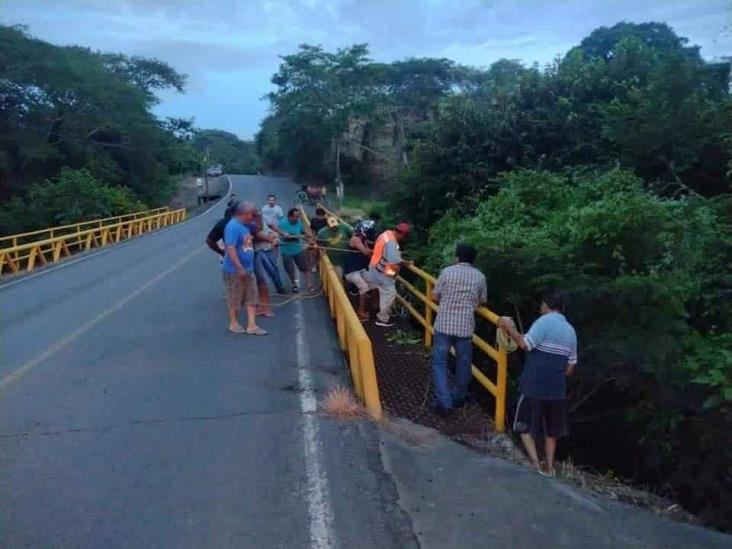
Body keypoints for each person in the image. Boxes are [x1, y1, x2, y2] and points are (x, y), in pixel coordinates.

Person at [498, 292, 578, 477]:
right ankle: (549, 468)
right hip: (557, 388)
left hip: (534, 384)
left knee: (524, 425)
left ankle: (535, 464)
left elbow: (524, 344)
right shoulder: (570, 330)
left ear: (546, 305)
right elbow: (570, 367)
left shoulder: (543, 322)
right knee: (552, 431)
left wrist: (510, 328)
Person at [430, 243, 487, 417]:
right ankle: (458, 397)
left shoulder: (447, 272)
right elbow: (482, 300)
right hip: (465, 327)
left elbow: (434, 295)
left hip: (444, 325)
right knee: (464, 365)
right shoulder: (480, 277)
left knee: (439, 363)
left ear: (457, 257)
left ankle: (444, 402)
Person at [222, 202, 267, 335]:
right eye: (252, 215)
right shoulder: (233, 227)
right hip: (235, 270)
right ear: (245, 214)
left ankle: (252, 325)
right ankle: (233, 323)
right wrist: (239, 268)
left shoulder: (245, 226)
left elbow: (257, 229)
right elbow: (230, 248)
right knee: (235, 296)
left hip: (248, 268)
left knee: (251, 296)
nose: (253, 217)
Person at [367, 222, 411, 327]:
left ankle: (385, 312)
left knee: (384, 293)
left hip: (375, 267)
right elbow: (393, 260)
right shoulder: (391, 242)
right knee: (389, 293)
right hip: (382, 270)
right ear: (403, 234)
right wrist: (406, 262)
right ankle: (382, 318)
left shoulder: (386, 234)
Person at [252, 209, 285, 317]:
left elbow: (270, 228)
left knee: (273, 269)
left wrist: (278, 235)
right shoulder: (251, 225)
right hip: (257, 250)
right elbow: (256, 237)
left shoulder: (263, 219)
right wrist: (271, 240)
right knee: (261, 278)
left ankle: (280, 287)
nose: (259, 216)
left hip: (268, 249)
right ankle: (258, 305)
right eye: (257, 215)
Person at [344, 219, 376, 320]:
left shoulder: (363, 240)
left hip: (360, 269)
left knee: (375, 285)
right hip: (352, 270)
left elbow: (369, 251)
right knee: (364, 287)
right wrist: (377, 251)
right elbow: (366, 253)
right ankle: (360, 311)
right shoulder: (355, 239)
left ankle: (374, 306)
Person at [278, 207, 314, 293]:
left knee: (305, 267)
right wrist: (298, 236)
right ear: (290, 217)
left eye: (298, 217)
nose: (297, 219)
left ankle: (309, 284)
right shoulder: (282, 223)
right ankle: (294, 284)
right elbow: (287, 237)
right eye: (295, 217)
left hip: (298, 249)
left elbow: (303, 231)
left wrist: (309, 235)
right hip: (286, 251)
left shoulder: (298, 223)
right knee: (290, 269)